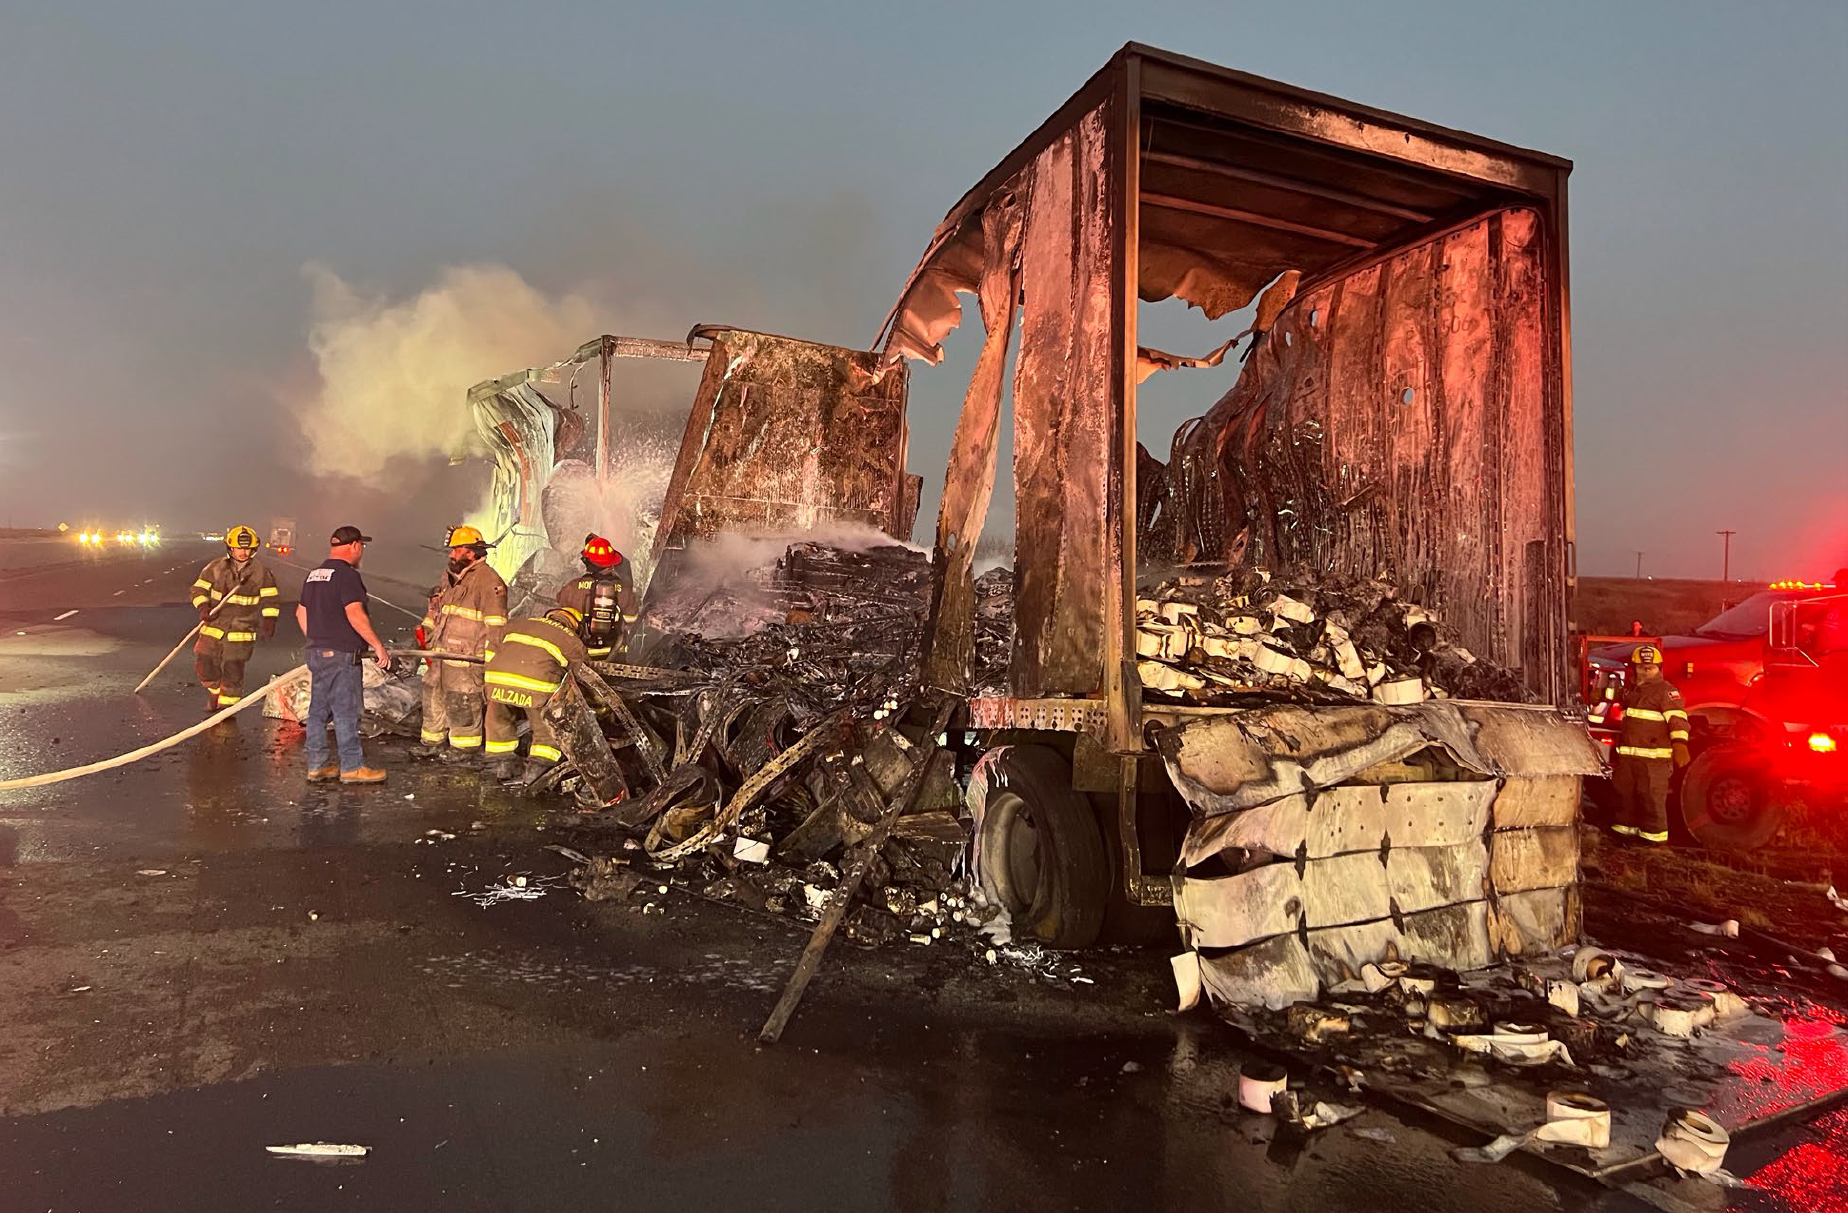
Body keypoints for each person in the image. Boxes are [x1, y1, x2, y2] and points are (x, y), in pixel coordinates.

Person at [295, 526, 393, 784]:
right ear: (355, 546)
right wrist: (378, 646)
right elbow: (355, 614)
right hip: (341, 656)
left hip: (317, 652)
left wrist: (318, 638)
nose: (361, 552)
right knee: (345, 711)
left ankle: (316, 766)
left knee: (318, 711)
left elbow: (300, 614)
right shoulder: (346, 575)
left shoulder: (314, 575)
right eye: (361, 547)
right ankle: (352, 767)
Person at [411, 525, 508, 764]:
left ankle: (464, 749)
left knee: (462, 702)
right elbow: (437, 612)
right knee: (433, 695)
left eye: (457, 549)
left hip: (467, 660)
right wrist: (427, 638)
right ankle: (431, 743)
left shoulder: (489, 581)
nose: (452, 554)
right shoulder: (450, 578)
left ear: (472, 552)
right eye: (452, 549)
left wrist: (490, 663)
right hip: (441, 654)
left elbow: (497, 626)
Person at [484, 606, 588, 785]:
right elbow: (584, 676)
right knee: (545, 727)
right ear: (574, 624)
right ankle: (537, 770)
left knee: (498, 719)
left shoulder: (519, 623)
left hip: (496, 679)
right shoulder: (570, 639)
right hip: (536, 686)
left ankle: (502, 765)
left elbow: (491, 647)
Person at [188, 524, 282, 714]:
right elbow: (198, 589)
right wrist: (203, 607)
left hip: (242, 630)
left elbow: (271, 598)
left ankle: (227, 710)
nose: (243, 552)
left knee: (233, 669)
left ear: (254, 549)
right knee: (204, 662)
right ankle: (214, 690)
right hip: (213, 625)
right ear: (230, 548)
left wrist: (269, 620)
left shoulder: (261, 573)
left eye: (247, 548)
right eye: (239, 548)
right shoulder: (215, 568)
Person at [1611, 644, 1689, 844]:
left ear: (1659, 668)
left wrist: (1680, 743)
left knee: (1652, 799)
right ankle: (1623, 834)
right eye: (1642, 667)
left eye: (1651, 667)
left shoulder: (1666, 692)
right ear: (1634, 668)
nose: (1646, 671)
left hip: (1654, 761)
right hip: (1628, 758)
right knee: (1624, 796)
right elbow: (1618, 696)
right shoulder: (1631, 690)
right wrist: (1601, 694)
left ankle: (1654, 841)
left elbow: (1678, 719)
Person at [555, 534, 635, 661]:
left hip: (579, 655)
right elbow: (632, 623)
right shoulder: (624, 590)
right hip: (614, 657)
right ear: (612, 563)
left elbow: (561, 613)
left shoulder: (572, 587)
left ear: (587, 562)